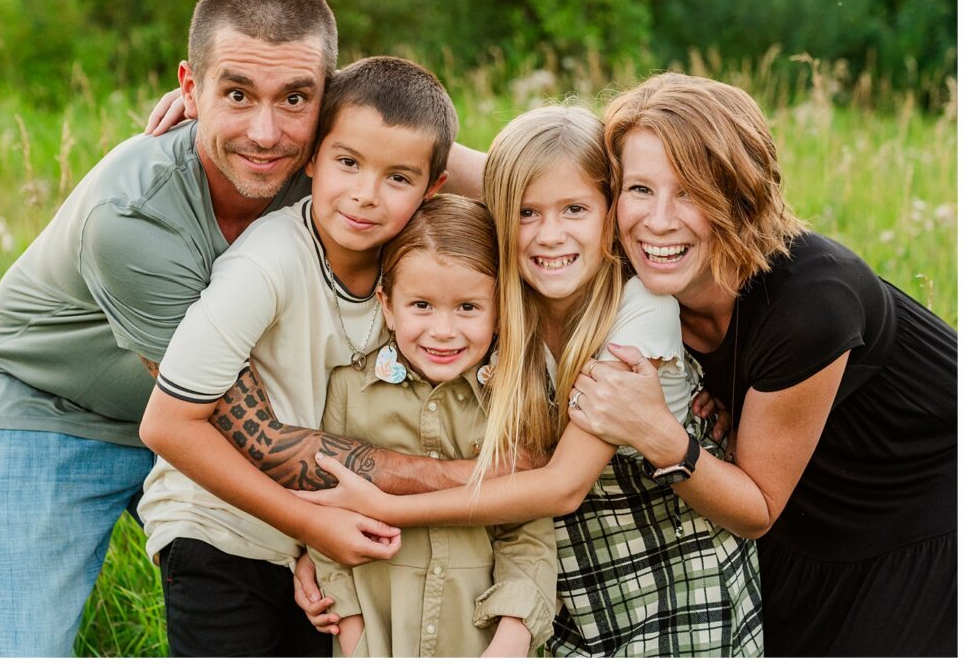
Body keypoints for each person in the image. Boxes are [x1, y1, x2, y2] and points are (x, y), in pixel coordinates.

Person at [0, 0, 492, 656]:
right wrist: (492, 477)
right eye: (236, 94)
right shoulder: (133, 217)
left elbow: (517, 181)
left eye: (294, 98)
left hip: (191, 417)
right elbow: (239, 433)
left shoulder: (328, 164)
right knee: (31, 648)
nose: (265, 133)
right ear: (190, 87)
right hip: (57, 410)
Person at [300, 104, 763, 657]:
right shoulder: (502, 305)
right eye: (526, 213)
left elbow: (562, 486)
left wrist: (379, 508)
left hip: (664, 546)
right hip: (557, 556)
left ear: (610, 212)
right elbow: (400, 153)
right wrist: (321, 540)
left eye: (574, 209)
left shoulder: (638, 306)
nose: (550, 235)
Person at [572, 71, 956, 656]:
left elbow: (756, 510)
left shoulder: (811, 301)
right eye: (640, 189)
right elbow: (518, 176)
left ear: (741, 198)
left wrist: (656, 432)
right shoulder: (640, 266)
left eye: (692, 192)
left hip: (922, 518)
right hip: (807, 509)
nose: (659, 220)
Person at [137, 54, 461, 656]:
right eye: (347, 163)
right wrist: (307, 524)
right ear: (311, 157)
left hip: (311, 539)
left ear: (433, 188)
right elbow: (164, 424)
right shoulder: (268, 262)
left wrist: (309, 541)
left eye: (398, 178)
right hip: (218, 527)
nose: (365, 196)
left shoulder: (412, 267)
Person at [306, 195, 557, 657]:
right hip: (379, 634)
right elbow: (326, 513)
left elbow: (527, 533)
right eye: (421, 305)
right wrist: (355, 632)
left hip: (479, 637)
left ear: (500, 309)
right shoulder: (347, 390)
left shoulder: (514, 398)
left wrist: (511, 640)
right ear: (387, 304)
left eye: (467, 308)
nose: (443, 331)